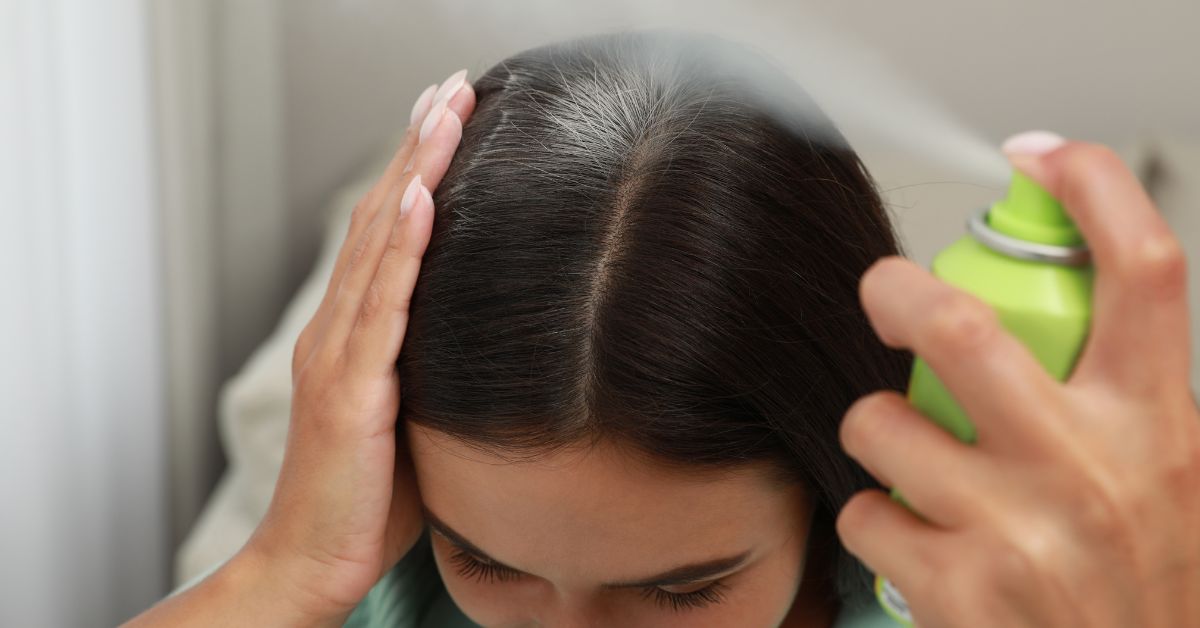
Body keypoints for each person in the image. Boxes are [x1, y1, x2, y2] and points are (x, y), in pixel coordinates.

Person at [126, 31, 1200, 628]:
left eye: (682, 589)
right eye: (490, 563)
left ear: (829, 497)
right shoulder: (374, 591)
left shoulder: (954, 604)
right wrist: (283, 570)